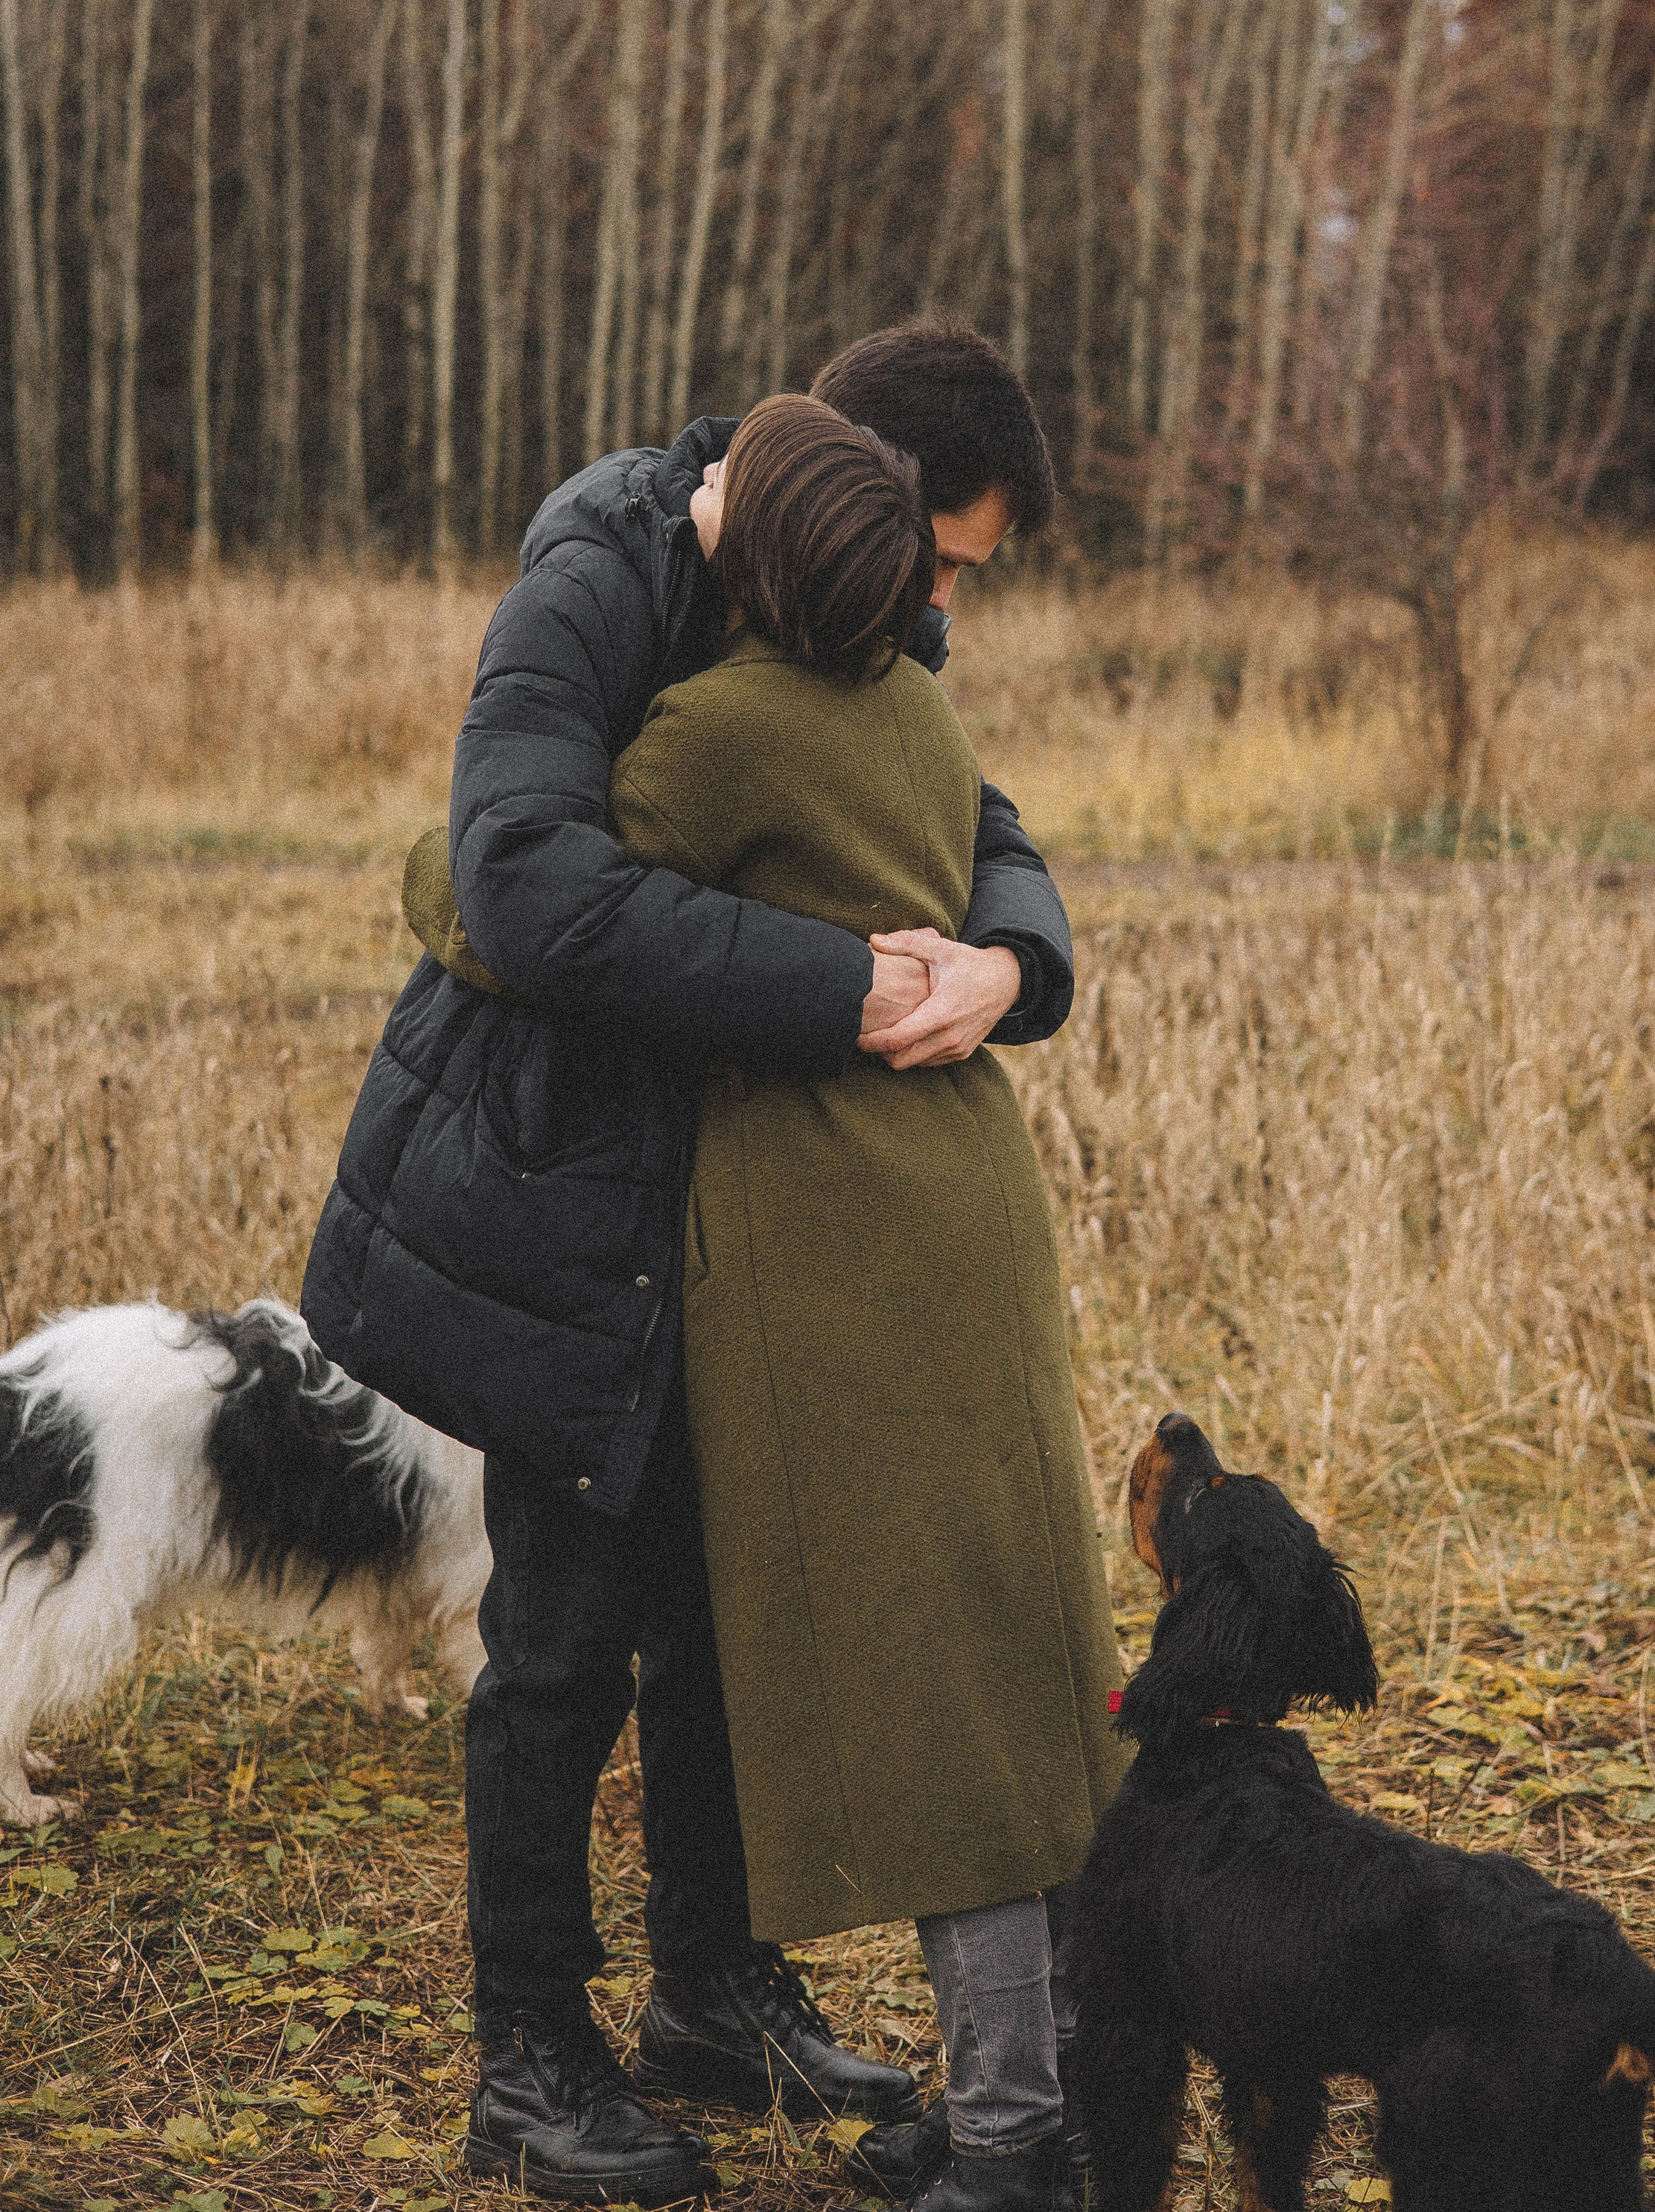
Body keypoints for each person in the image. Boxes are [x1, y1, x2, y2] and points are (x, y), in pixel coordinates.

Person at [301, 327, 1078, 2208]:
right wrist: (843, 986)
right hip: (576, 1188)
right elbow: (513, 883)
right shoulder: (599, 574)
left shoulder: (845, 589)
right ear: (859, 494)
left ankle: (714, 1998)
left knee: (727, 1619)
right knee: (562, 1641)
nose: (949, 603)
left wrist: (1005, 964)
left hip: (748, 1205)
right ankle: (530, 2059)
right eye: (946, 563)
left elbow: (953, 813)